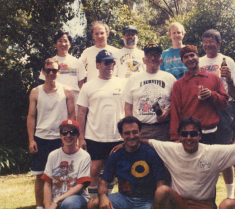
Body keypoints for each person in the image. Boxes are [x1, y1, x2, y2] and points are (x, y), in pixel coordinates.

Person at [145, 117, 235, 209]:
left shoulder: (213, 152)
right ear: (179, 136)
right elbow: (146, 141)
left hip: (203, 204)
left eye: (193, 134)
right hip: (179, 202)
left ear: (200, 136)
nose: (189, 137)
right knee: (162, 191)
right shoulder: (171, 149)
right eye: (184, 134)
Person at [77, 49, 127, 198]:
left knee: (113, 170)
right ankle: (93, 201)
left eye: (112, 62)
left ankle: (108, 198)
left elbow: (129, 108)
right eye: (106, 62)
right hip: (94, 136)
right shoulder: (88, 86)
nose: (110, 65)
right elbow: (81, 113)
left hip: (117, 136)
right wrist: (81, 137)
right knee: (94, 170)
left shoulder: (123, 83)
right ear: (98, 64)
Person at [27, 58, 75, 209]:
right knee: (40, 176)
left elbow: (72, 116)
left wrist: (69, 137)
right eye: (48, 70)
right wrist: (31, 140)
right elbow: (31, 117)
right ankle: (40, 206)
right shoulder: (36, 91)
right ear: (43, 72)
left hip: (61, 139)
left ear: (59, 72)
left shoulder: (67, 91)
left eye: (54, 70)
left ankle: (60, 203)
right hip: (41, 138)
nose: (51, 73)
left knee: (63, 175)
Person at [87, 116, 165, 209]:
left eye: (134, 132)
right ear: (121, 135)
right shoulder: (116, 155)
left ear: (140, 132)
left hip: (146, 201)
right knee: (93, 203)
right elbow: (103, 182)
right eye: (127, 133)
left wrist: (156, 205)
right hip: (123, 198)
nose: (131, 136)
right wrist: (103, 197)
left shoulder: (150, 153)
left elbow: (161, 183)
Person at [199, 29, 235, 198]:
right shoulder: (199, 61)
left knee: (225, 153)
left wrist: (229, 79)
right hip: (204, 109)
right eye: (205, 41)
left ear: (219, 43)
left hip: (224, 108)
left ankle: (230, 196)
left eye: (212, 41)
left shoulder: (228, 61)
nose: (208, 44)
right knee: (204, 154)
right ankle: (206, 196)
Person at [170, 45, 229, 142]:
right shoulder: (178, 84)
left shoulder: (214, 78)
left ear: (198, 57)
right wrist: (175, 137)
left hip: (212, 132)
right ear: (182, 61)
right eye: (186, 57)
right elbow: (175, 111)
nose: (190, 59)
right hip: (190, 135)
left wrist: (212, 95)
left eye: (192, 55)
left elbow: (224, 104)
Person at [122, 42, 176, 141]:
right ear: (143, 60)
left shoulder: (170, 78)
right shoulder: (133, 79)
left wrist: (167, 112)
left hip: (163, 129)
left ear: (161, 60)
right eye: (149, 55)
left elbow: (177, 104)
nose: (152, 57)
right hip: (141, 129)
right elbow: (128, 106)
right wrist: (130, 129)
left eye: (156, 55)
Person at [42, 119, 92, 209]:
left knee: (70, 203)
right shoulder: (53, 155)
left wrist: (57, 201)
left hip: (77, 199)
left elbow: (80, 186)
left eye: (73, 132)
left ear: (78, 135)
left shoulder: (84, 156)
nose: (68, 135)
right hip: (56, 201)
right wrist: (48, 207)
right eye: (64, 132)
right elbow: (47, 184)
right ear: (60, 135)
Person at [38, 30, 86, 115]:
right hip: (54, 97)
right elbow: (45, 83)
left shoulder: (78, 62)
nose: (63, 44)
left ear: (70, 44)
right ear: (55, 44)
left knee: (72, 124)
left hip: (74, 98)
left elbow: (81, 86)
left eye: (65, 41)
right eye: (60, 41)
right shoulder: (49, 63)